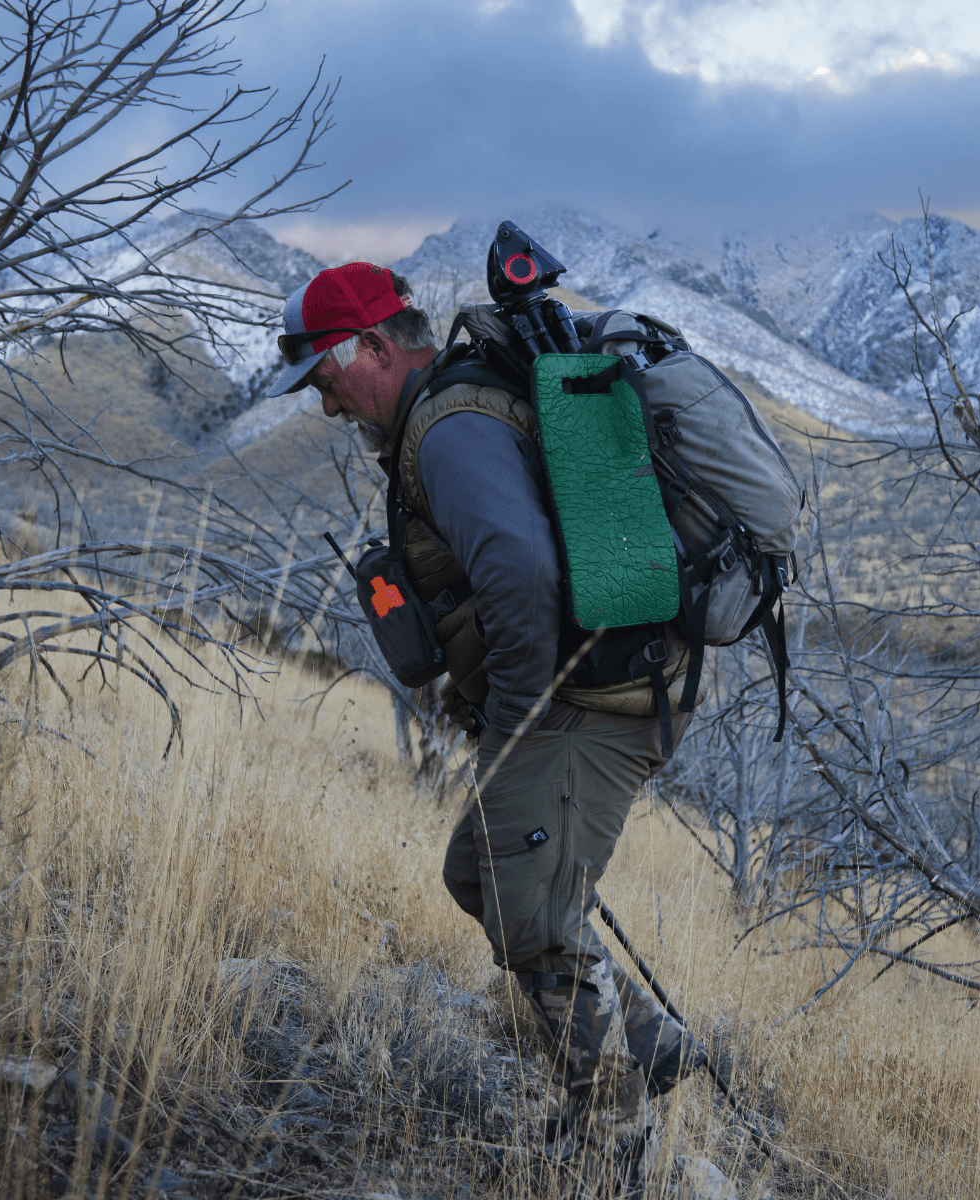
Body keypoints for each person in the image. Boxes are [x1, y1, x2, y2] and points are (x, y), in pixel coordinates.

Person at [269, 262, 709, 1171]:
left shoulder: (450, 430)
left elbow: (523, 576)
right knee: (477, 872)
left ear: (377, 349)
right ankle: (650, 1047)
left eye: (326, 381)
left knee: (530, 914)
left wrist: (512, 727)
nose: (325, 408)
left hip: (589, 704)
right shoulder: (445, 416)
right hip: (593, 690)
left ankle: (612, 1145)